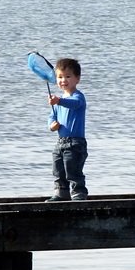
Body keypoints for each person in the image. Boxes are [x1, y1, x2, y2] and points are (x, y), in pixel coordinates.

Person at [46, 57, 88, 201]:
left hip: (76, 143)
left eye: (68, 76)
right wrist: (52, 125)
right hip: (60, 142)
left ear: (77, 79)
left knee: (73, 170)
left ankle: (78, 193)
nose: (63, 80)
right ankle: (61, 192)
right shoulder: (57, 101)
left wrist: (59, 101)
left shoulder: (78, 97)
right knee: (58, 169)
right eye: (60, 77)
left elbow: (74, 104)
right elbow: (52, 117)